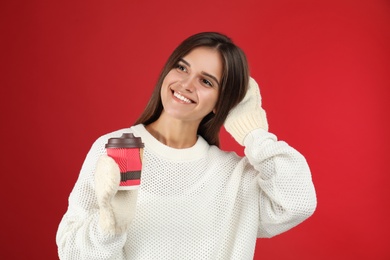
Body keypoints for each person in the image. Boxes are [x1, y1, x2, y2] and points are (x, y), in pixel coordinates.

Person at [56, 32, 317, 259]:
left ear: (221, 102)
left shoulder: (235, 178)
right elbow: (71, 252)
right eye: (182, 68)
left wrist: (254, 133)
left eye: (206, 81)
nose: (186, 85)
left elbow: (298, 201)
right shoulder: (117, 149)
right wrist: (108, 229)